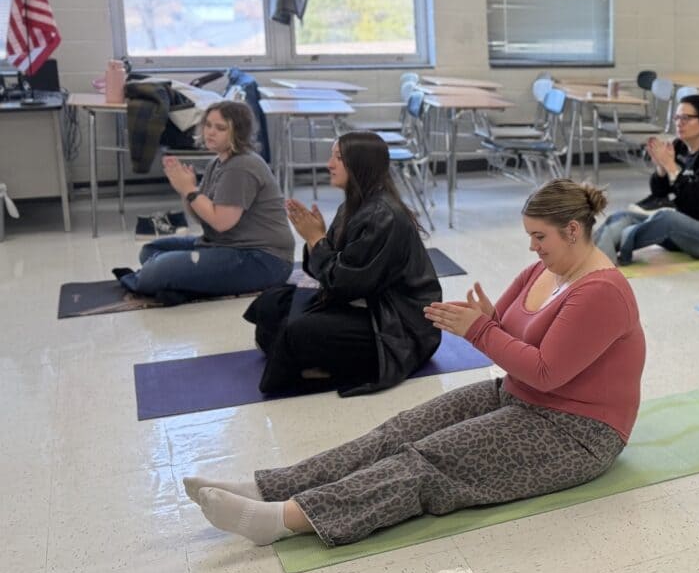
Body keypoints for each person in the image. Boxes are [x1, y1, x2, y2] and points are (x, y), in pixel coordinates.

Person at [185, 179, 646, 548]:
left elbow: (545, 371)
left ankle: (284, 519)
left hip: (576, 431)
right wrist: (486, 321)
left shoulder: (601, 291)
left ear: (572, 231)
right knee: (400, 431)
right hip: (520, 397)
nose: (532, 247)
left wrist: (480, 329)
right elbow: (507, 332)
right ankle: (271, 487)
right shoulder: (544, 270)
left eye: (539, 236)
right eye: (530, 236)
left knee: (430, 461)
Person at [244, 131, 442, 396]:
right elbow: (328, 272)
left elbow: (345, 284)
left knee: (300, 331)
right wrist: (318, 241)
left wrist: (316, 240)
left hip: (399, 325)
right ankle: (314, 361)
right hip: (367, 304)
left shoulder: (383, 215)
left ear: (360, 164)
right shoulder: (356, 204)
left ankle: (321, 364)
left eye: (338, 158)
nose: (329, 164)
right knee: (272, 302)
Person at [114, 100, 294, 302]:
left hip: (262, 260)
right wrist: (186, 191)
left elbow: (221, 222)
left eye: (220, 128)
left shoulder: (242, 166)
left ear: (238, 133)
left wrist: (189, 189)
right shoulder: (217, 163)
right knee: (150, 251)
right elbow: (202, 216)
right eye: (208, 125)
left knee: (154, 271)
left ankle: (178, 282)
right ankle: (185, 283)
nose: (210, 132)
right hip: (222, 245)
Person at [593, 93, 699, 264]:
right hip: (684, 230)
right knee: (624, 217)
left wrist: (671, 167)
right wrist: (661, 168)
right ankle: (592, 257)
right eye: (677, 118)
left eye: (686, 118)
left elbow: (697, 200)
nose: (679, 123)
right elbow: (659, 193)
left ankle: (618, 249)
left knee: (666, 218)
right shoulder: (679, 147)